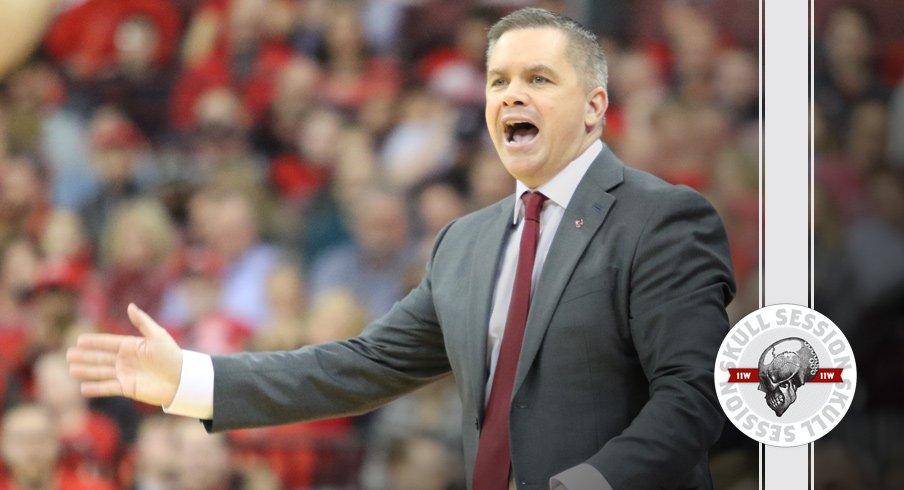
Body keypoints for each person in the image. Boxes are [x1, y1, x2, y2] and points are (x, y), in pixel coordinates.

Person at [67, 8, 735, 490]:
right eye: (498, 81)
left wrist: (591, 485)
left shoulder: (662, 219)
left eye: (538, 78)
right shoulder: (465, 244)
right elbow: (361, 367)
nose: (512, 96)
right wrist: (192, 378)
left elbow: (696, 393)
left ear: (594, 107)